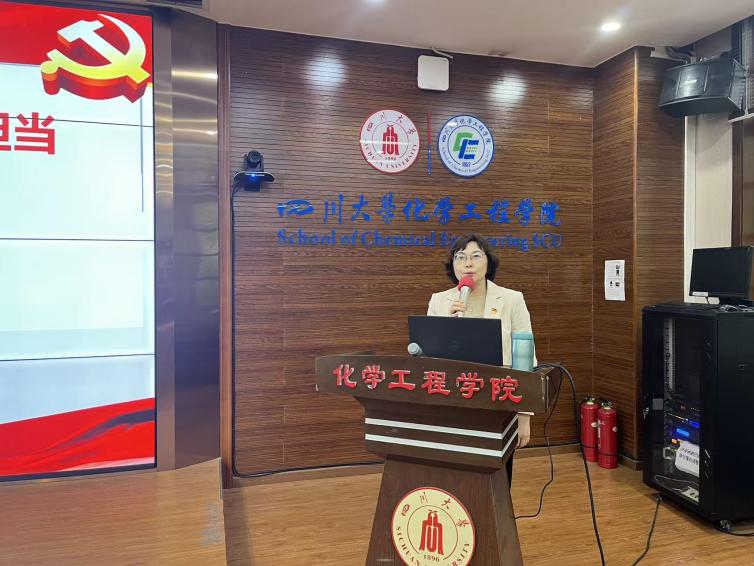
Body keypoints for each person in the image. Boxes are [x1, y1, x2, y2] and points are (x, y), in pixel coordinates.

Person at [427, 233, 536, 485]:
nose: (468, 263)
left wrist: (524, 415)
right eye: (460, 257)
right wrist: (447, 325)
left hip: (500, 401)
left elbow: (525, 356)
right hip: (454, 403)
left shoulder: (512, 299)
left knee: (498, 477)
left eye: (476, 256)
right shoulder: (439, 301)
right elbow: (430, 360)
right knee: (457, 477)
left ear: (488, 263)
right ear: (453, 265)